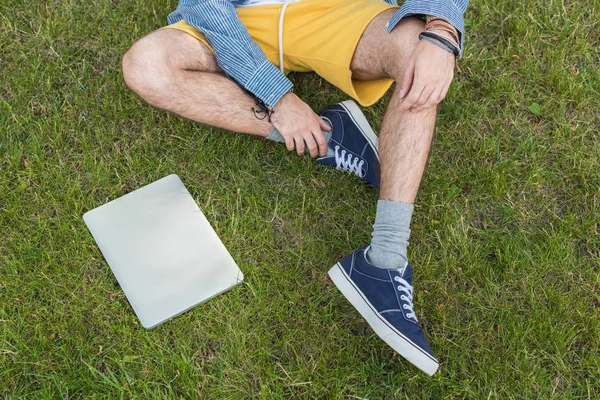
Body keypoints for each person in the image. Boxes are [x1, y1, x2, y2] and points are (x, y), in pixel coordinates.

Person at [122, 0, 469, 375]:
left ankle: (384, 259)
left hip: (342, 11)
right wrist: (278, 97)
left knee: (415, 50)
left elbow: (434, 31)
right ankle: (330, 136)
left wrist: (441, 31)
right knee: (147, 66)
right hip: (237, 18)